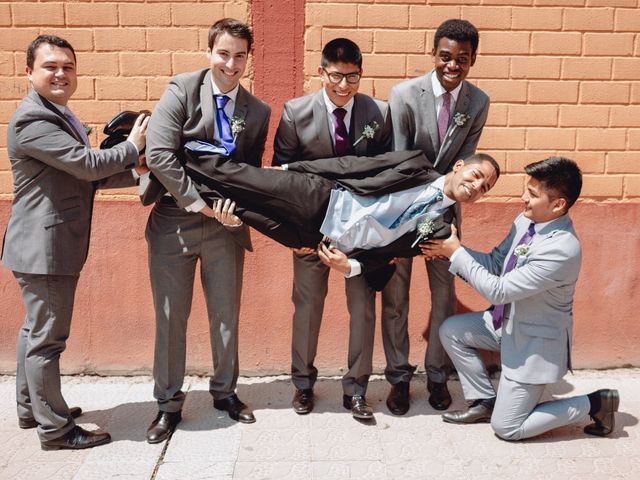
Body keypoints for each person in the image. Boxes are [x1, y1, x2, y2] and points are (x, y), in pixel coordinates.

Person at [1, 34, 148, 450]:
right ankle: (56, 430)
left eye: (67, 66)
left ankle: (34, 410)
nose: (61, 73)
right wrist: (133, 146)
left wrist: (137, 168)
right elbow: (86, 165)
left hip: (41, 244)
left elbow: (87, 175)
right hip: (45, 248)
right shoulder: (34, 120)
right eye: (50, 66)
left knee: (34, 331)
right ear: (28, 72)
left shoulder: (57, 114)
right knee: (48, 338)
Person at [423, 157, 619, 440]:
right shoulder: (524, 221)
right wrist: (448, 250)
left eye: (533, 194)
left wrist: (456, 253)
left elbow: (499, 291)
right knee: (452, 331)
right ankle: (484, 401)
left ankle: (597, 402)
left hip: (532, 345)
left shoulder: (562, 249)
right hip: (506, 325)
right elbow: (493, 262)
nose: (523, 198)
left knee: (508, 429)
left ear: (558, 205)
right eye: (527, 188)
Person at [143, 18, 271, 444]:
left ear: (247, 58)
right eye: (223, 53)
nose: (230, 64)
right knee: (169, 317)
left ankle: (225, 393)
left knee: (225, 315)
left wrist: (239, 213)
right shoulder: (182, 89)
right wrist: (198, 204)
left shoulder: (258, 111)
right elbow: (160, 154)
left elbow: (248, 173)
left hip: (225, 228)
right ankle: (167, 405)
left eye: (239, 56)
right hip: (173, 221)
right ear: (210, 52)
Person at [272, 38, 394, 419]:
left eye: (353, 77)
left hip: (360, 233)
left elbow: (386, 174)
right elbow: (282, 178)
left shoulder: (380, 112)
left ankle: (357, 388)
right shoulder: (295, 112)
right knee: (307, 308)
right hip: (312, 231)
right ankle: (303, 385)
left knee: (363, 309)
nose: (344, 86)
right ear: (321, 72)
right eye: (336, 76)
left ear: (361, 74)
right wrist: (295, 236)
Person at [184, 151, 499, 289]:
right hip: (322, 198)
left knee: (236, 207)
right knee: (241, 178)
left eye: (484, 188)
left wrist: (351, 266)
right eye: (476, 176)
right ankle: (172, 156)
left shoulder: (442, 229)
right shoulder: (416, 164)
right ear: (459, 166)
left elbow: (392, 255)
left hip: (315, 239)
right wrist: (293, 168)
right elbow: (354, 165)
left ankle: (172, 186)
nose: (475, 187)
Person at [386, 18, 490, 414]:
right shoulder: (404, 95)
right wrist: (423, 202)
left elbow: (464, 164)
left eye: (462, 59)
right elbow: (398, 160)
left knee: (443, 295)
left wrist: (443, 204)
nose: (452, 65)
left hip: (444, 214)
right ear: (433, 53)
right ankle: (397, 377)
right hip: (404, 207)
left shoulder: (478, 102)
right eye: (445, 56)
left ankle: (436, 373)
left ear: (473, 60)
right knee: (396, 298)